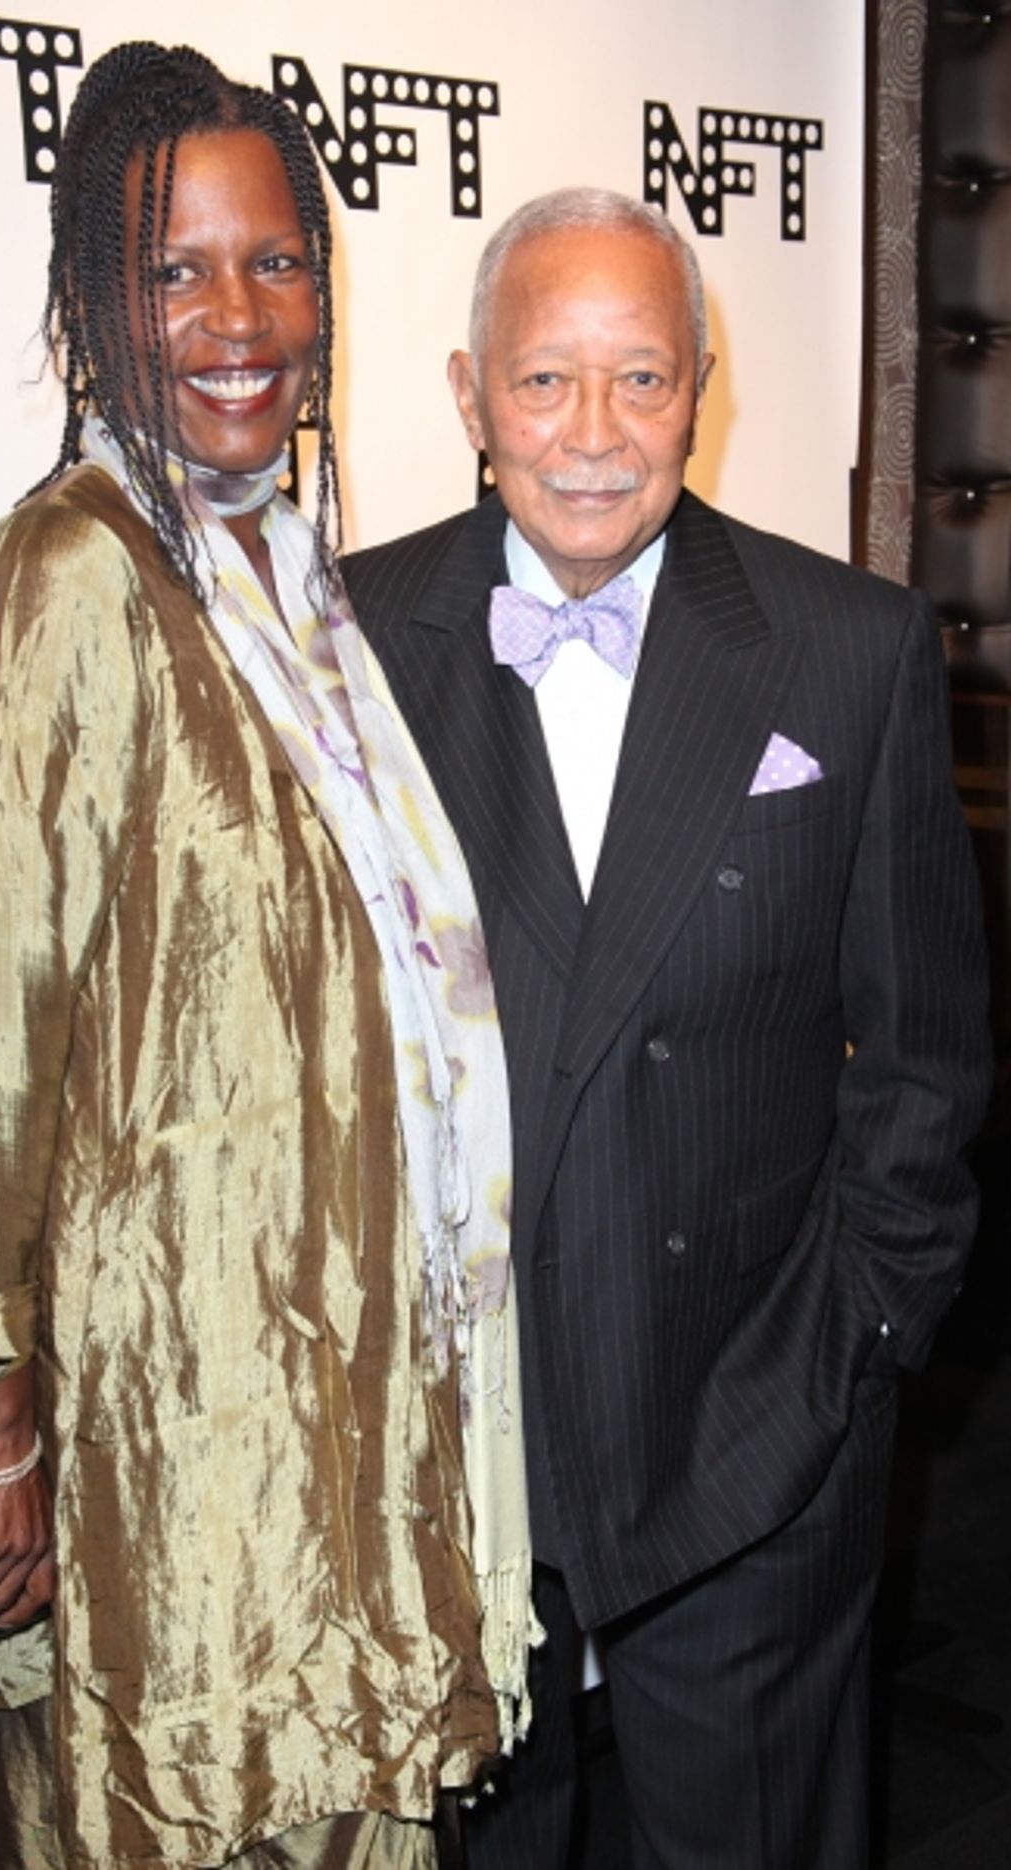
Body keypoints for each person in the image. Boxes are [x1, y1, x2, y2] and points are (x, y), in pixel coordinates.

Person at [0, 42, 536, 1870]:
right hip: (169, 1438)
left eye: (275, 262)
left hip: (334, 1394)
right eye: (174, 269)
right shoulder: (65, 579)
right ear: (96, 307)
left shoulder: (283, 573)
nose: (237, 315)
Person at [343, 188, 991, 1869]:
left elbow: (926, 1055)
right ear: (468, 394)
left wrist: (855, 1347)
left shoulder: (848, 648)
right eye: (545, 381)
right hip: (453, 1457)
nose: (592, 433)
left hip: (754, 1427)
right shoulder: (341, 646)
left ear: (700, 389)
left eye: (641, 378)